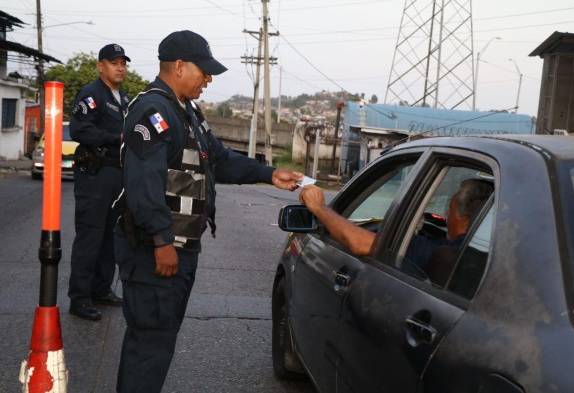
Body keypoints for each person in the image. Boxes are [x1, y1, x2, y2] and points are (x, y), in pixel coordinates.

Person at [113, 30, 303, 393]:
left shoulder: (186, 111)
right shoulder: (153, 111)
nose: (209, 79)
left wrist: (267, 173)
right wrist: (161, 240)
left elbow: (218, 159)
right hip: (155, 252)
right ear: (180, 66)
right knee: (150, 344)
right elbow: (143, 186)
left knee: (158, 341)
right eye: (204, 71)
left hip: (178, 249)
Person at [68, 44, 131, 321]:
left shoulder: (124, 98)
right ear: (100, 66)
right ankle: (79, 299)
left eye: (123, 63)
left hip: (117, 175)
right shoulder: (92, 94)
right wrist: (113, 138)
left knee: (110, 237)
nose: (120, 67)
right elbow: (80, 128)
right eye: (114, 63)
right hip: (96, 174)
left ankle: (101, 289)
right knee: (90, 237)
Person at [298, 179, 493, 267]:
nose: (445, 217)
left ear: (463, 218)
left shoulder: (439, 250)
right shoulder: (493, 255)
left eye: (448, 211)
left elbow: (360, 244)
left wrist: (319, 208)